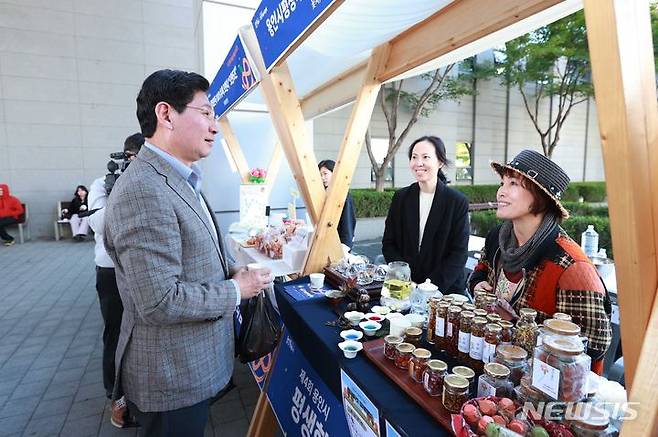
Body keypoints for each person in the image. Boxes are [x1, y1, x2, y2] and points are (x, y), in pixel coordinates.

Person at [103, 69, 272, 437]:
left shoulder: (180, 176)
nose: (215, 126)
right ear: (166, 115)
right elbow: (159, 300)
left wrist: (233, 271)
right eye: (207, 113)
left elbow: (199, 249)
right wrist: (236, 290)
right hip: (170, 377)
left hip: (190, 366)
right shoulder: (143, 191)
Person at [468, 149, 612, 373]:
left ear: (542, 198)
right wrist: (477, 284)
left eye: (513, 184)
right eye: (503, 183)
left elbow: (592, 346)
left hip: (546, 389)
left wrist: (518, 326)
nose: (501, 192)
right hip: (494, 363)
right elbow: (480, 270)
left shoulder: (571, 267)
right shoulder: (498, 237)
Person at [88, 132, 143, 428]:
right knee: (115, 333)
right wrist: (123, 189)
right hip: (110, 270)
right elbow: (98, 222)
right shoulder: (103, 184)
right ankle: (115, 396)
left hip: (139, 268)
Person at [382, 136, 470, 294]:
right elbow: (389, 243)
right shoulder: (401, 198)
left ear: (440, 162)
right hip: (405, 286)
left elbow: (458, 253)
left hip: (444, 291)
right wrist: (404, 276)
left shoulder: (456, 202)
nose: (418, 163)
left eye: (425, 157)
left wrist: (429, 288)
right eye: (414, 157)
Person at [318, 159, 357, 249]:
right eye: (320, 175)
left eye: (325, 173)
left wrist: (345, 247)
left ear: (334, 173)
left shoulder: (343, 195)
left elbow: (348, 223)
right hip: (326, 243)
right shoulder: (325, 193)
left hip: (340, 245)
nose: (322, 178)